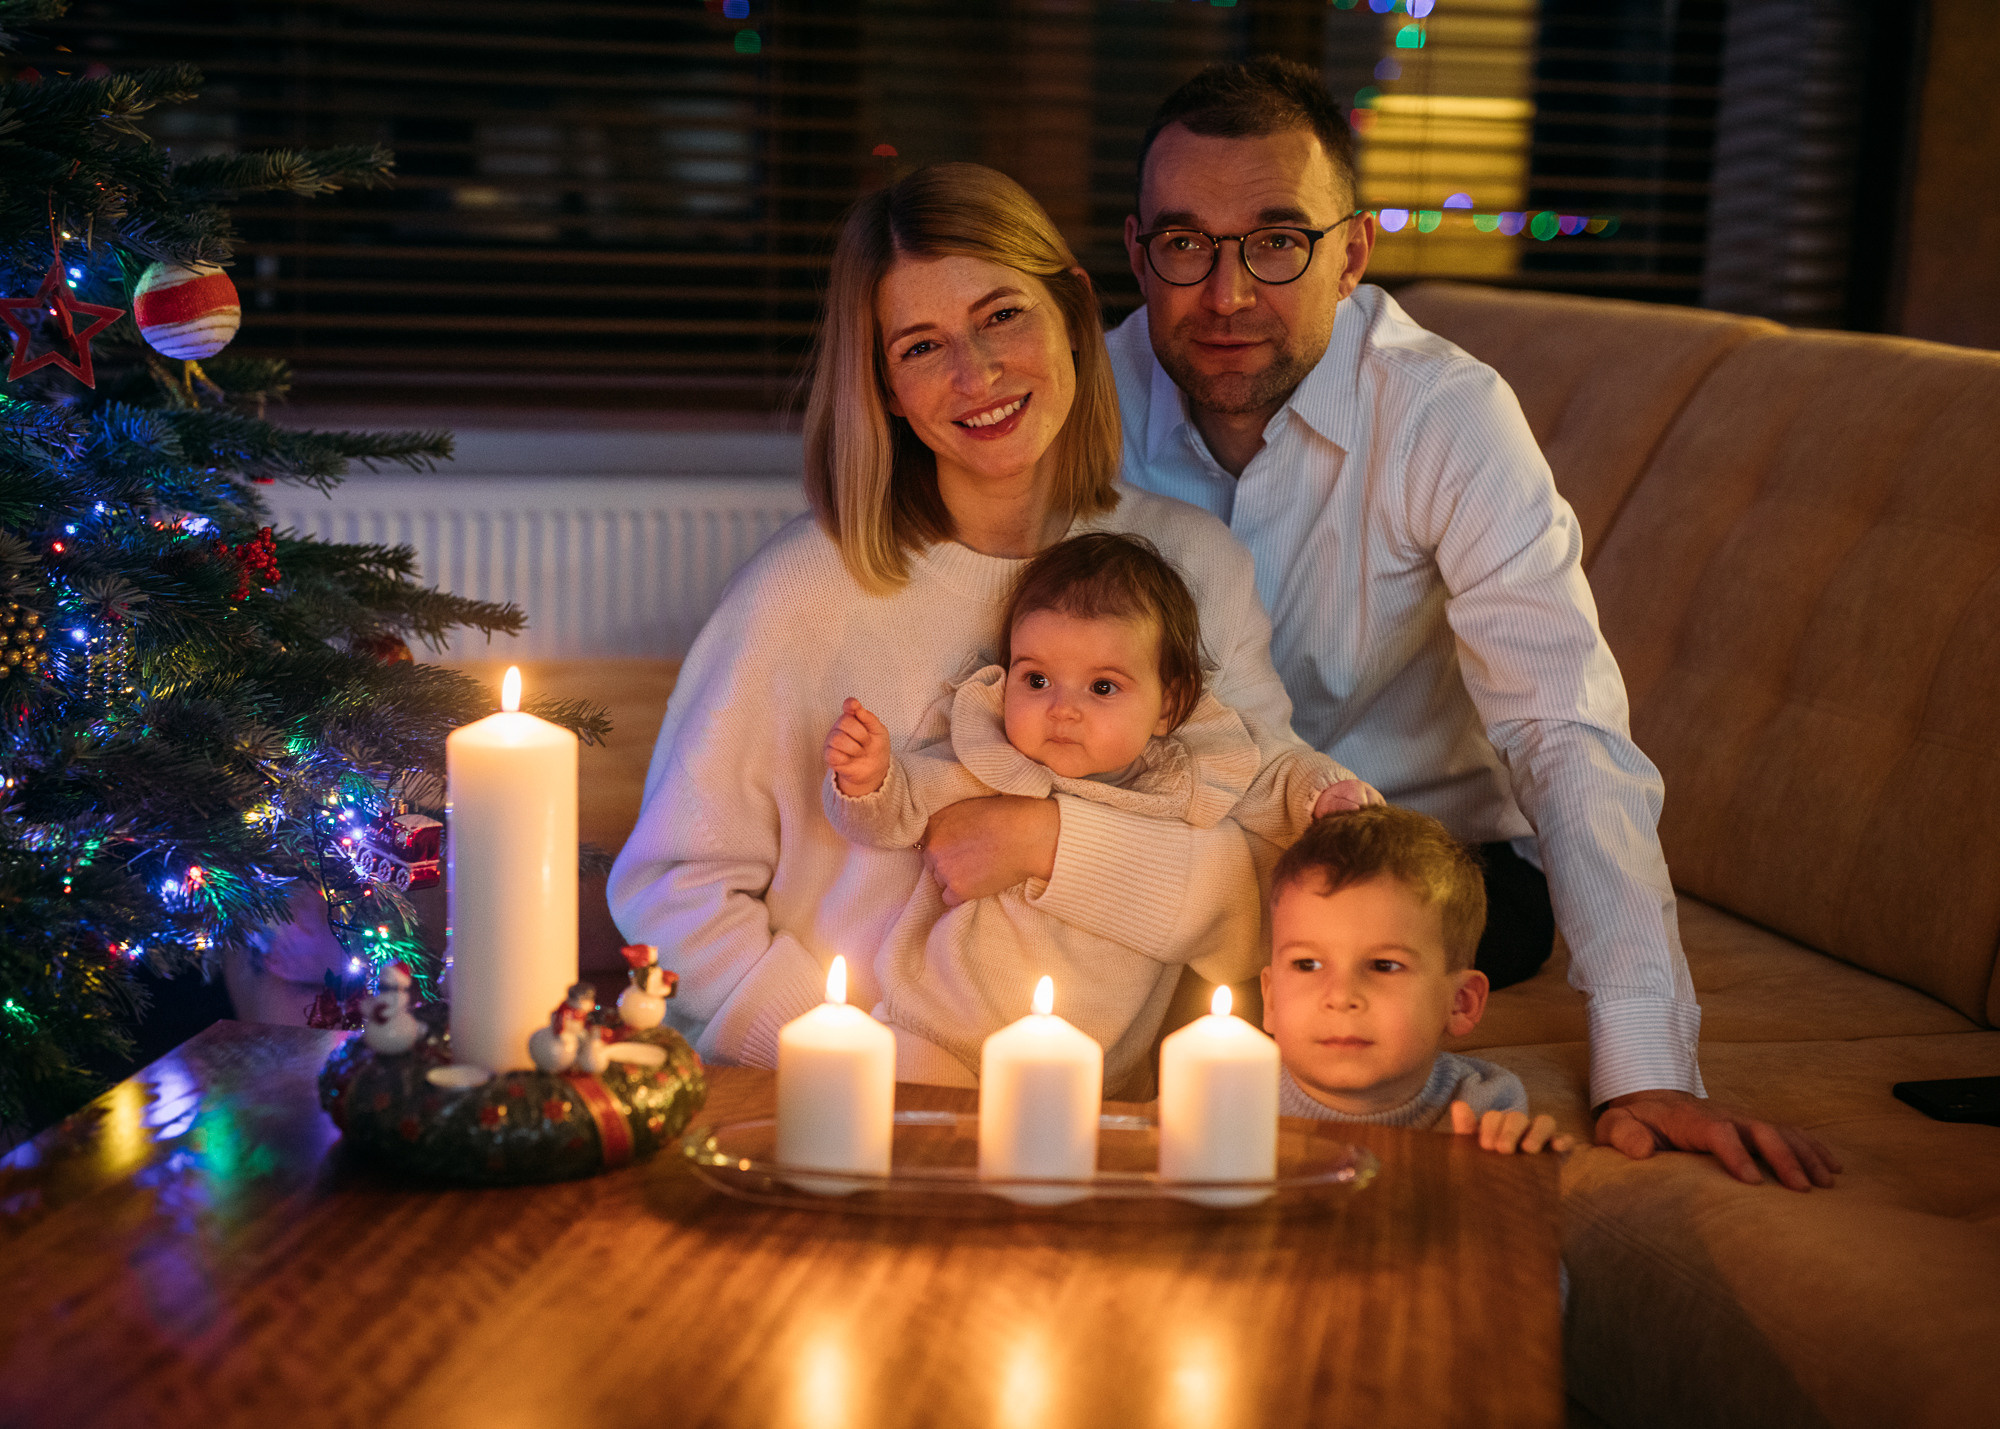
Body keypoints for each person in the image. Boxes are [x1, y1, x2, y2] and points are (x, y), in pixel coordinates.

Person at [1111, 57, 1838, 1189]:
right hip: (1180, 847)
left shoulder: (1444, 415)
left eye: (1275, 240)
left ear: (1350, 253)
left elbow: (1560, 725)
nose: (1227, 294)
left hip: (1429, 865)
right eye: (1183, 244)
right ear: (1136, 254)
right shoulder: (1085, 401)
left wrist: (1646, 1064)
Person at [607, 163, 1328, 1073]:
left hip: (1090, 1118)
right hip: (847, 1100)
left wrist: (1051, 843)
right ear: (887, 390)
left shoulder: (1193, 566)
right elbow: (672, 886)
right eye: (920, 346)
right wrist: (841, 1065)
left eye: (1001, 315)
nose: (975, 373)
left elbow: (1272, 869)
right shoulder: (802, 591)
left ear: (1071, 313)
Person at [822, 531, 1379, 1095]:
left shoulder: (1184, 777)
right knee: (919, 1149)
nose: (1062, 710)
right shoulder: (984, 762)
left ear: (1169, 704)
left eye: (1103, 687)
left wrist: (1326, 798)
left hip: (1096, 1071)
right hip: (936, 1032)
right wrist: (867, 777)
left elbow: (1280, 778)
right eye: (1036, 680)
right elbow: (894, 814)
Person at [1263, 806, 1571, 1155]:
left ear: (1460, 1002)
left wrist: (1514, 1161)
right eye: (1307, 964)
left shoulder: (1481, 1104)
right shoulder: (1230, 1099)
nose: (1340, 996)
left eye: (1384, 965)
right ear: (1271, 999)